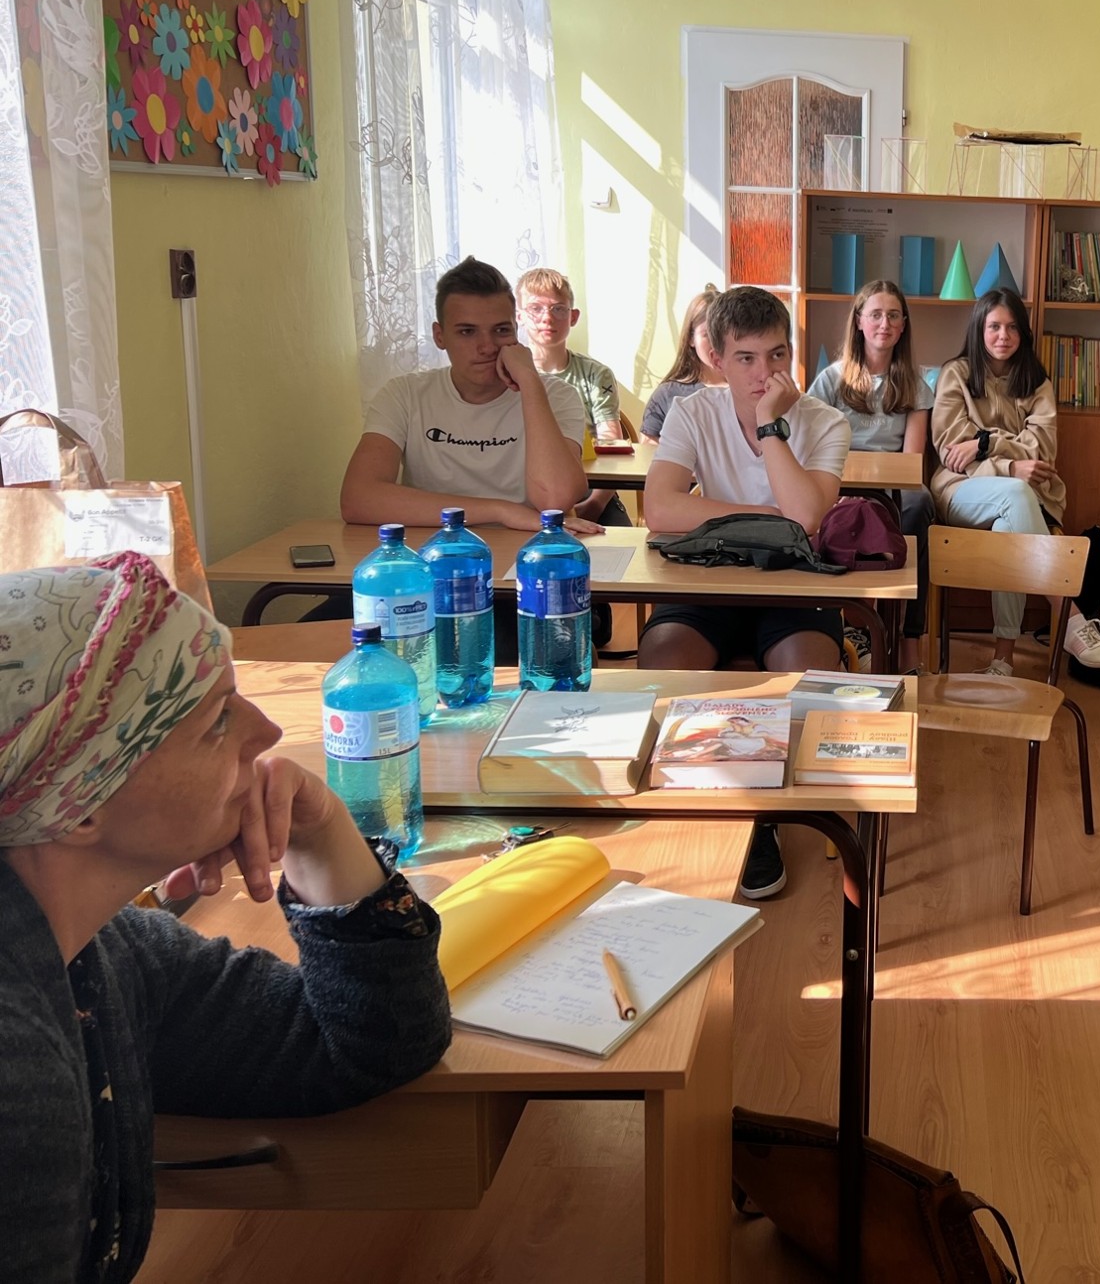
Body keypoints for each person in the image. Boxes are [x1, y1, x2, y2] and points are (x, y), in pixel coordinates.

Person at [0, 554, 451, 1283]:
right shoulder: (14, 1071)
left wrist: (320, 832)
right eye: (217, 720)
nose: (266, 732)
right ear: (79, 804)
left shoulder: (100, 952)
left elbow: (367, 1042)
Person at [640, 285, 851, 900]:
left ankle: (762, 814)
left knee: (806, 673)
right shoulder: (692, 411)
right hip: (708, 578)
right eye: (747, 358)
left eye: (777, 355)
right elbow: (660, 509)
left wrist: (770, 428)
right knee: (665, 659)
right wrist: (764, 518)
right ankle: (703, 795)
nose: (765, 374)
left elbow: (806, 518)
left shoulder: (825, 421)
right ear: (716, 357)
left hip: (795, 584)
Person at [340, 255, 593, 533]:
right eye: (467, 332)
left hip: (527, 550)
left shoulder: (557, 395)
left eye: (501, 330)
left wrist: (530, 382)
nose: (487, 347)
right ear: (440, 336)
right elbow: (358, 499)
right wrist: (502, 511)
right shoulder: (404, 394)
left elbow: (555, 500)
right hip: (436, 550)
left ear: (516, 332)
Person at [931, 288, 1100, 676]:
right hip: (960, 491)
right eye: (994, 326)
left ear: (1023, 333)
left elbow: (1042, 451)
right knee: (1016, 491)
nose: (1002, 336)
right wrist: (1009, 465)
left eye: (1011, 328)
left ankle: (1003, 660)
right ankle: (1069, 613)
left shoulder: (1037, 383)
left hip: (1025, 497)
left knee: (1010, 529)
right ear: (979, 329)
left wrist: (984, 443)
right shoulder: (956, 373)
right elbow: (950, 448)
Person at [808, 279, 934, 671]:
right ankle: (851, 628)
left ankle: (908, 639)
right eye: (876, 314)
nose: (885, 323)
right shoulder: (831, 380)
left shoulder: (916, 386)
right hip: (839, 483)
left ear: (903, 325)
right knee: (834, 516)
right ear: (859, 321)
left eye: (894, 315)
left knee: (920, 505)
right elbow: (810, 445)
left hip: (894, 488)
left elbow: (912, 461)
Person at [516, 264, 629, 527]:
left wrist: (596, 503)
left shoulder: (595, 374)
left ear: (573, 317)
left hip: (589, 489)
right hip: (524, 489)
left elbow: (611, 445)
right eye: (535, 308)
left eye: (558, 309)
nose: (547, 318)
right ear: (519, 316)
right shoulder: (508, 373)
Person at [640, 284, 724, 443]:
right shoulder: (667, 394)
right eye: (708, 335)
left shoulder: (753, 389)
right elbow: (648, 449)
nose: (718, 343)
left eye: (725, 333)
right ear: (691, 338)